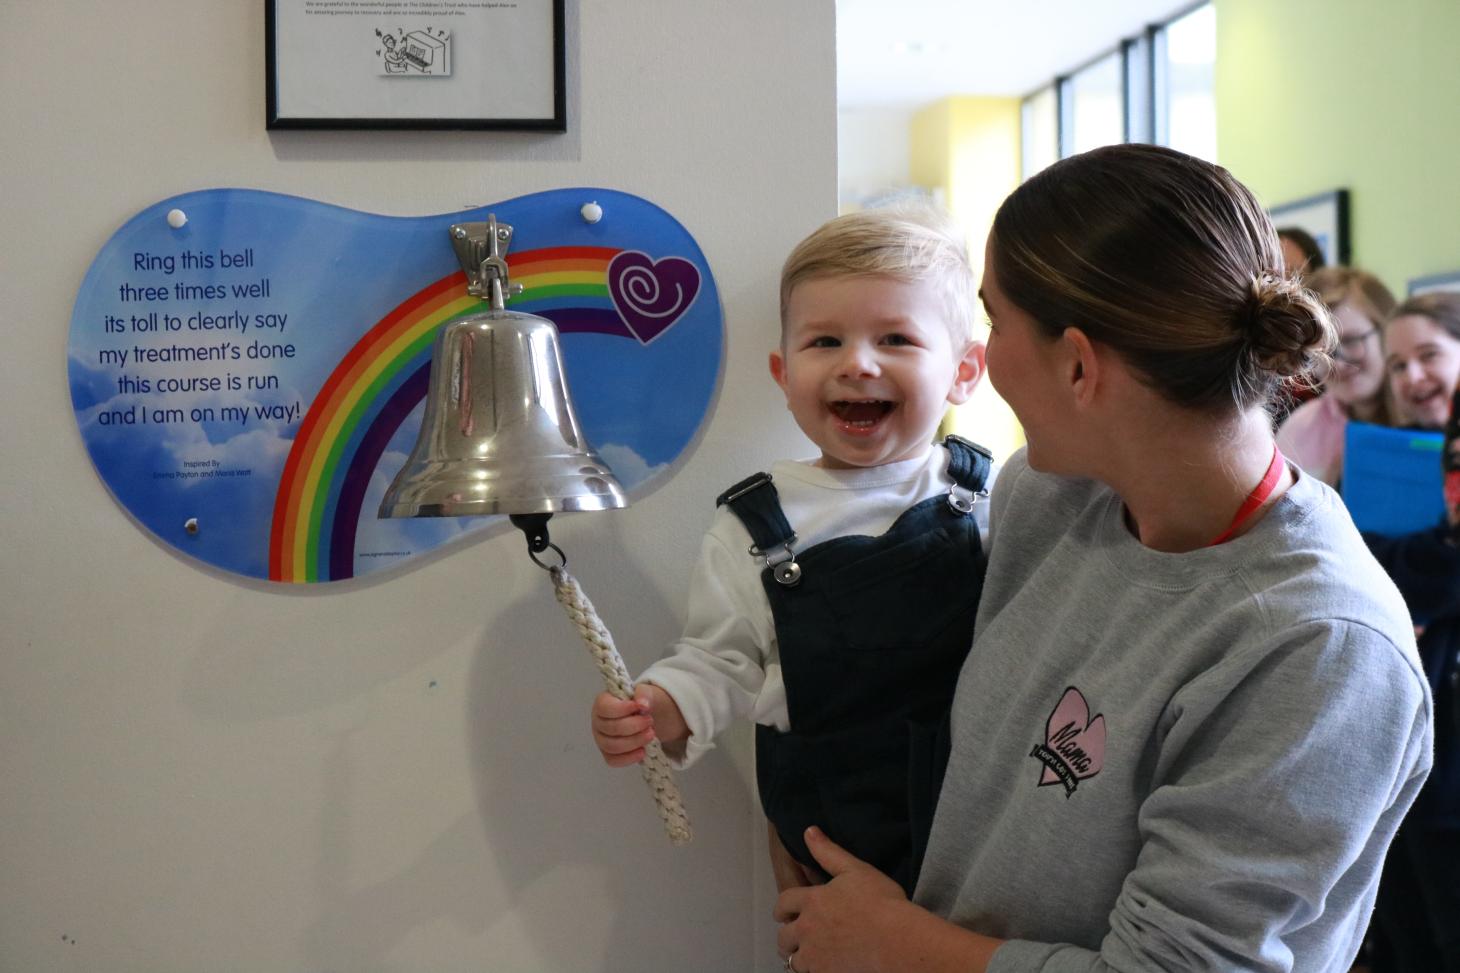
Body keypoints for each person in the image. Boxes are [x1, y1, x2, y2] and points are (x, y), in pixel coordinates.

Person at [772, 144, 1431, 973]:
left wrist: (897, 944)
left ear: (1078, 365)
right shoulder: (1048, 497)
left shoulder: (1320, 647)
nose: (984, 351)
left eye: (995, 320)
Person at [590, 206, 992, 895]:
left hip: (980, 835)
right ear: (783, 371)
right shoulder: (754, 524)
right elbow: (719, 661)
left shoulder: (994, 499)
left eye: (895, 338)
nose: (857, 364)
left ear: (964, 370)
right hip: (835, 851)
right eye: (825, 341)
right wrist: (659, 707)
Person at [1362, 291, 1460, 972]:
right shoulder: (1385, 457)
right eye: (1398, 364)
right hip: (1414, 765)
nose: (1412, 377)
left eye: (1429, 355)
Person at [1275, 267, 1397, 485]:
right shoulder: (1299, 430)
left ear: (1388, 332)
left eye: (1351, 341)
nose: (1338, 363)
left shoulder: (1428, 415)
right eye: (1320, 352)